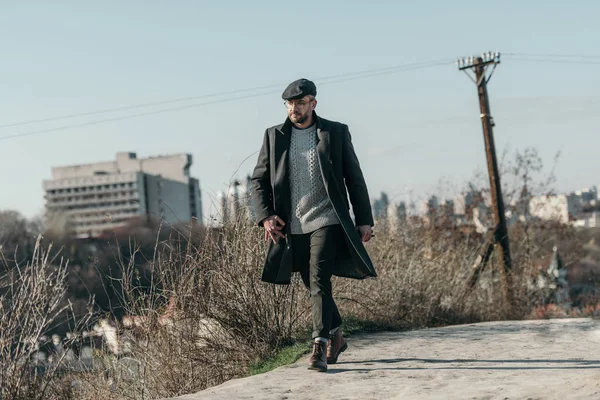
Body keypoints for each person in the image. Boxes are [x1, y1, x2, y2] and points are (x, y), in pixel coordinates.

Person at [250, 78, 376, 372]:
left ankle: (319, 345)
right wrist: (266, 216)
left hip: (327, 217)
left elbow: (353, 177)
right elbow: (258, 180)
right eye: (290, 104)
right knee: (311, 282)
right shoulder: (274, 136)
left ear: (313, 103)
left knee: (319, 278)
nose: (295, 108)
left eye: (301, 103)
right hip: (293, 222)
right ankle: (337, 334)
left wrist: (364, 219)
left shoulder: (335, 132)